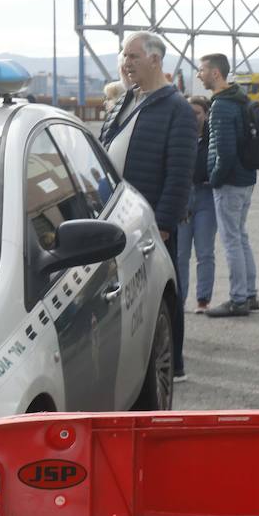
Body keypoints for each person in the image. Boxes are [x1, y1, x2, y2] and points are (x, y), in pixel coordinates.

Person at [99, 31, 197, 379]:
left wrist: (165, 222)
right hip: (117, 218)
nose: (125, 63)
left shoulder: (177, 110)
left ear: (155, 60)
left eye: (132, 57)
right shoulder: (128, 101)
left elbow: (179, 173)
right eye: (124, 57)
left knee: (163, 292)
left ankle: (175, 364)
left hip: (152, 223)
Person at [197, 53, 259, 318]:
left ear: (215, 73)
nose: (199, 74)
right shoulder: (240, 99)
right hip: (246, 177)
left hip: (230, 182)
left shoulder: (222, 106)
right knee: (241, 236)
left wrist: (215, 178)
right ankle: (250, 293)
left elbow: (224, 150)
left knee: (231, 239)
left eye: (202, 70)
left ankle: (237, 299)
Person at [176, 95, 218, 314]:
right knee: (181, 253)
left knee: (204, 251)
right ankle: (179, 299)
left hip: (206, 194)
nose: (193, 118)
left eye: (198, 113)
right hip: (182, 196)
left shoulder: (213, 138)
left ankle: (203, 300)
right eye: (189, 113)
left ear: (206, 114)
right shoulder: (178, 135)